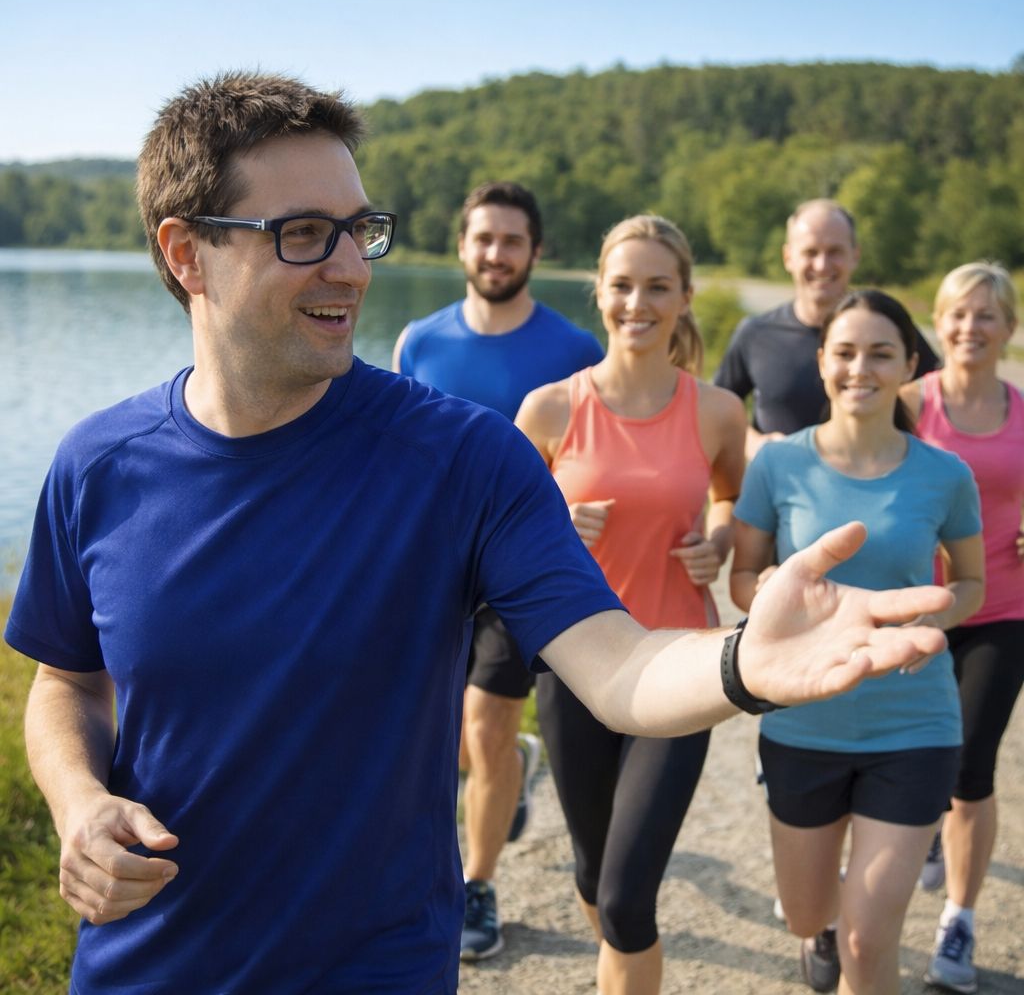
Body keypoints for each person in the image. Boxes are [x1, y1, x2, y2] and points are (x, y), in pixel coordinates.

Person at [5, 72, 961, 995]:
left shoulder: (461, 459)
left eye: (359, 230)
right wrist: (80, 804)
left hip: (374, 968)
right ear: (185, 253)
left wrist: (743, 663)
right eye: (302, 233)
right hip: (150, 965)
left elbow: (615, 664)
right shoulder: (98, 464)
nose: (348, 266)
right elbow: (67, 683)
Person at [515, 214, 746, 994]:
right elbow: (503, 545)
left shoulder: (717, 412)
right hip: (575, 664)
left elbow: (729, 498)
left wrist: (718, 540)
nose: (636, 302)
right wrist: (552, 518)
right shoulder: (549, 409)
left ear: (685, 297)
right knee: (591, 873)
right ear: (599, 294)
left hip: (681, 665)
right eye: (621, 285)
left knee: (625, 896)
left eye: (657, 286)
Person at [730, 289, 984, 994]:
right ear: (821, 362)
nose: (860, 368)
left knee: (871, 943)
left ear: (909, 364)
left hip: (914, 724)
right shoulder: (778, 466)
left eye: (881, 353)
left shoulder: (945, 474)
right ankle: (832, 918)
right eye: (844, 352)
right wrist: (789, 608)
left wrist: (928, 620)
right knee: (808, 916)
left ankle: (867, 910)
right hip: (802, 723)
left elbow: (971, 585)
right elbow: (746, 577)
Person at [392, 181, 603, 961]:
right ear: (462, 246)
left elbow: (598, 450)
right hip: (434, 567)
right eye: (484, 238)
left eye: (512, 240)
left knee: (482, 721)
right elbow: (395, 454)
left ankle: (475, 883)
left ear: (535, 253)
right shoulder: (419, 341)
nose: (496, 253)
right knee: (444, 730)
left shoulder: (577, 351)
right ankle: (510, 767)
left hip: (519, 572)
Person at [899, 263, 1024, 995]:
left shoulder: (1021, 413)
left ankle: (959, 919)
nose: (970, 328)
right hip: (911, 611)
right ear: (937, 323)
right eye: (957, 315)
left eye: (986, 316)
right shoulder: (910, 404)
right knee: (897, 753)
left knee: (969, 771)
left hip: (1002, 613)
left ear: (1008, 328)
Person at [714, 199, 938, 461]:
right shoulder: (756, 333)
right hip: (781, 493)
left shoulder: (888, 328)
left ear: (855, 255)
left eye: (835, 251)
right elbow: (716, 409)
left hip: (875, 489)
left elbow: (945, 399)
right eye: (810, 252)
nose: (822, 265)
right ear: (788, 257)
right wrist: (753, 442)